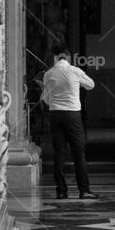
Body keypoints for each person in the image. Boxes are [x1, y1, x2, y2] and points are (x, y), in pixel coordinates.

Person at [40, 45, 97, 200]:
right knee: (78, 153)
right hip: (72, 115)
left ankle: (61, 191)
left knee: (59, 153)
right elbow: (91, 85)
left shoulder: (48, 74)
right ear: (68, 56)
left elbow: (44, 98)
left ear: (55, 57)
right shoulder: (75, 71)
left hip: (55, 115)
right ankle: (84, 190)